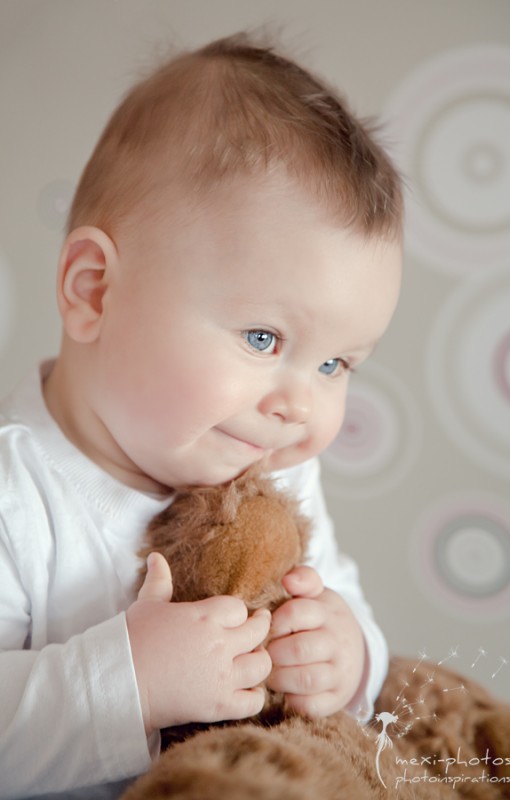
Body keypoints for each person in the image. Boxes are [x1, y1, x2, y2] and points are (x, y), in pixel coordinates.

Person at [0, 32, 403, 798]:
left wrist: (346, 658)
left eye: (335, 365)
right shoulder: (16, 495)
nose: (300, 405)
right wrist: (130, 681)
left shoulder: (276, 474)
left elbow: (342, 596)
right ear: (94, 292)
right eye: (263, 337)